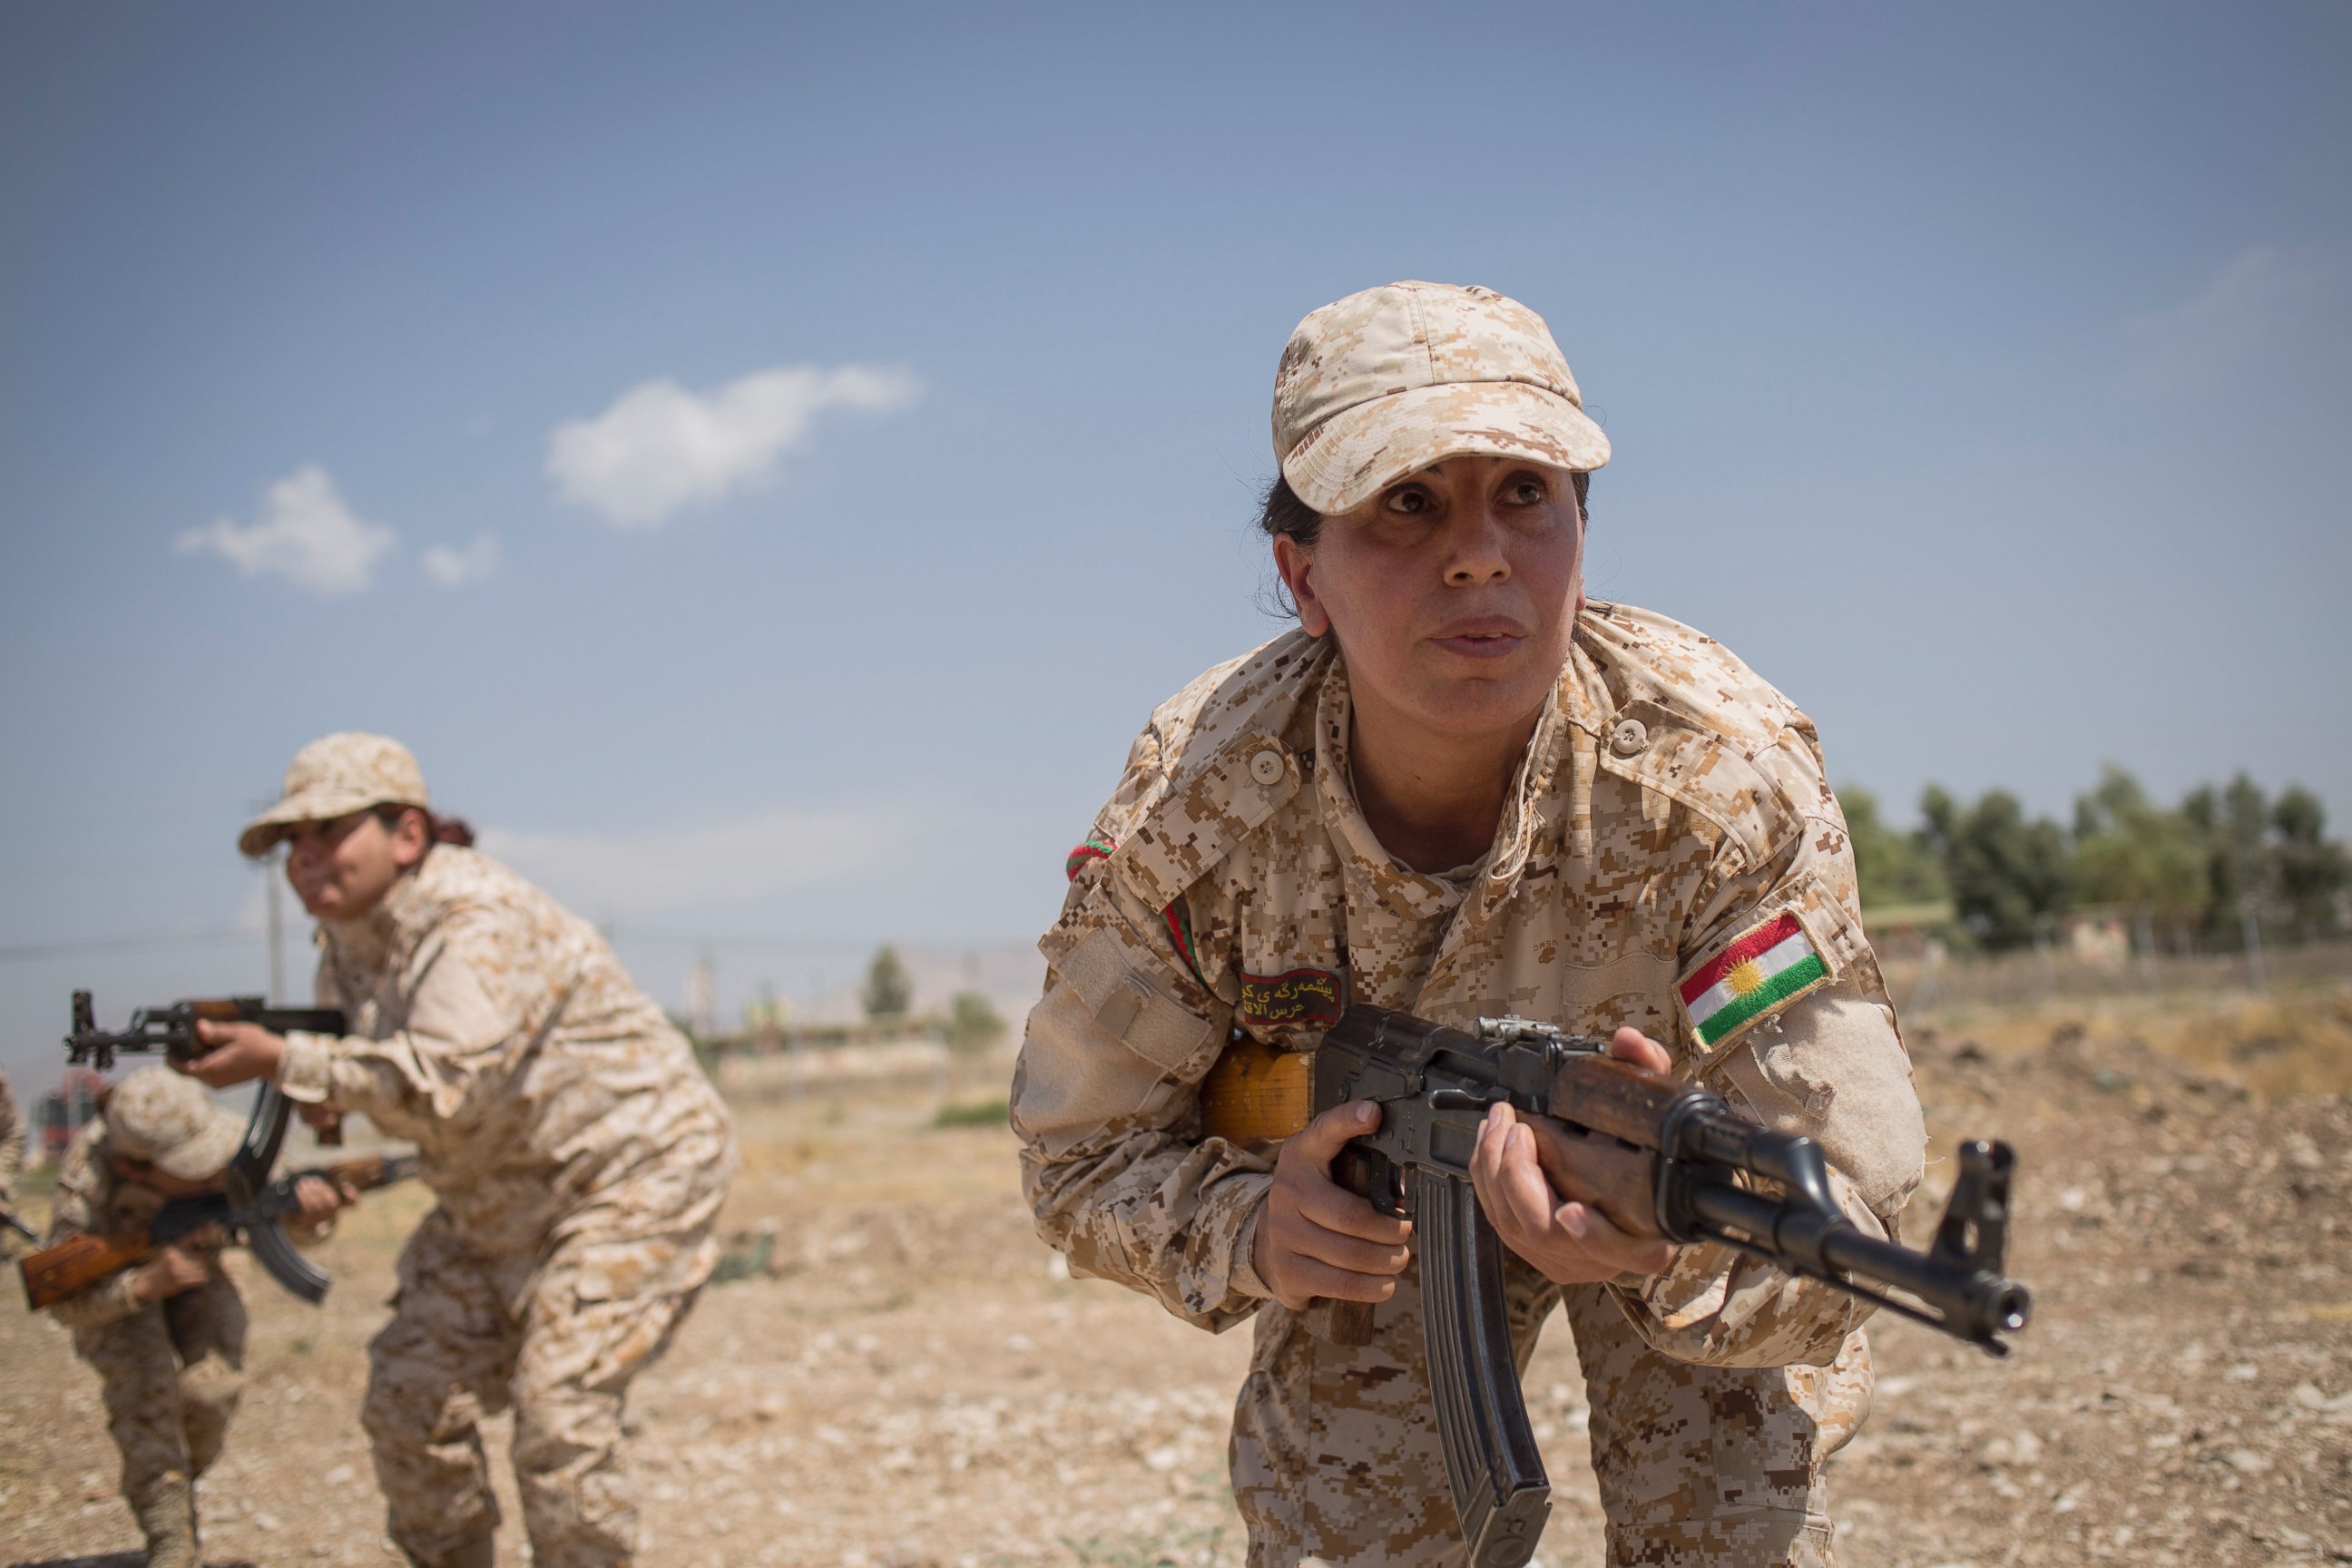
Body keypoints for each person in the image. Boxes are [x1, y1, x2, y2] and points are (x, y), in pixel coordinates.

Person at [1010, 281, 1928, 1567]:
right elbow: (1080, 1155)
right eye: (1407, 501)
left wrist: (1666, 1241)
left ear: (1581, 534)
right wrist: (1257, 1229)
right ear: (1300, 574)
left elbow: (1854, 1218)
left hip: (1674, 1194)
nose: (1481, 554)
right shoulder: (1199, 809)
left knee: (1734, 1506)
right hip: (1386, 1229)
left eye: (1527, 495)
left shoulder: (1718, 781)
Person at [177, 732, 738, 1568]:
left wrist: (279, 1058)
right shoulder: (348, 949)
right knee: (407, 1399)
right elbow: (379, 1092)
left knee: (561, 1412)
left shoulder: (474, 915)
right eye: (292, 844)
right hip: (492, 1202)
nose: (305, 859)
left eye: (328, 833)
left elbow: (445, 1084)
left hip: (627, 1178)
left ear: (407, 834)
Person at [42, 1064, 350, 1568]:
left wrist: (310, 1216)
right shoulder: (86, 1181)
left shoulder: (209, 1131)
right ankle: (170, 1541)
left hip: (203, 1270)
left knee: (212, 1390)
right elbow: (63, 1299)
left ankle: (177, 1485)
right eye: (193, 1167)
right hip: (123, 1291)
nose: (212, 1172)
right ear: (136, 1169)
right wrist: (141, 1286)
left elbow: (279, 1212)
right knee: (146, 1394)